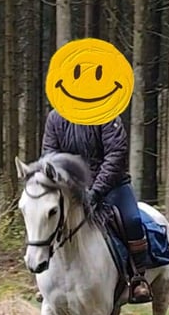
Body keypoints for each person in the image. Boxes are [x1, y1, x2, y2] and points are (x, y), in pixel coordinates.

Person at [41, 108, 152, 304]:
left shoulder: (107, 114)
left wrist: (96, 190)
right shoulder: (55, 118)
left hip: (113, 185)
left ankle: (138, 278)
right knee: (47, 221)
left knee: (132, 220)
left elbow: (115, 154)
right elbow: (50, 155)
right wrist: (70, 185)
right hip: (72, 189)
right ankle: (48, 282)